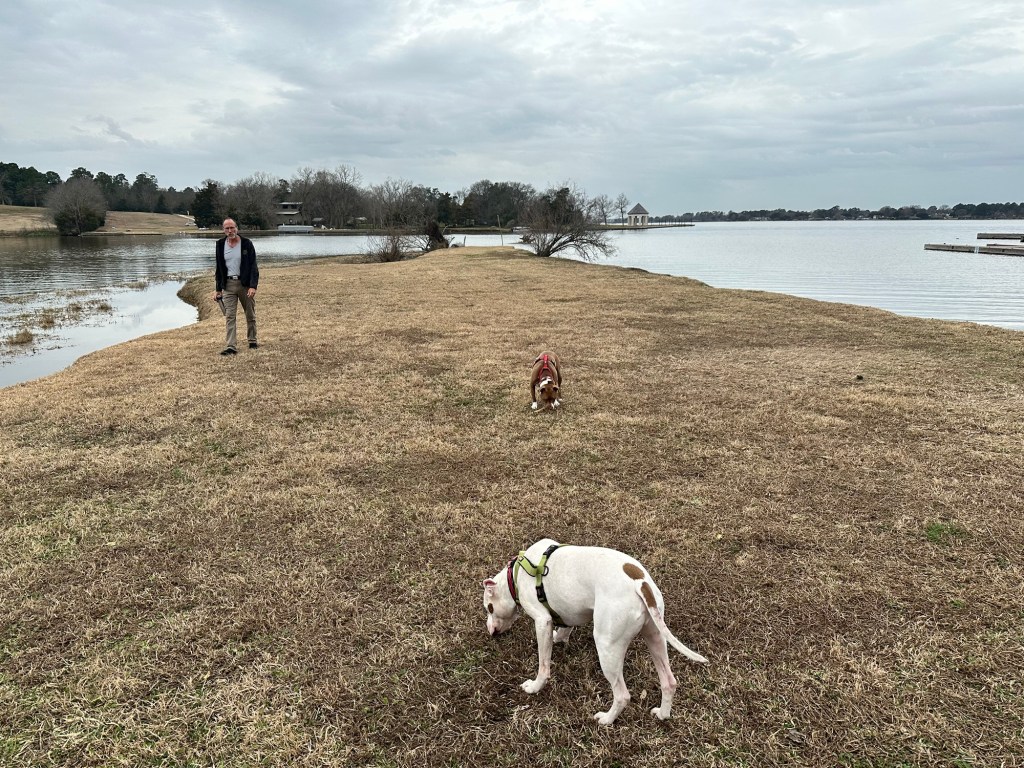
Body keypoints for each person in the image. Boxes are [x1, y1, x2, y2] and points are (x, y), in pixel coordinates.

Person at [213, 218, 259, 355]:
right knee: (230, 316)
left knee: (250, 314)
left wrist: (252, 286)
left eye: (232, 227)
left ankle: (252, 340)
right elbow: (219, 268)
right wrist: (218, 289)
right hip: (228, 285)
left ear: (236, 228)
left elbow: (253, 267)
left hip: (244, 284)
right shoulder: (220, 244)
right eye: (227, 228)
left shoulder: (246, 244)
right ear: (223, 230)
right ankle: (231, 346)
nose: (230, 231)